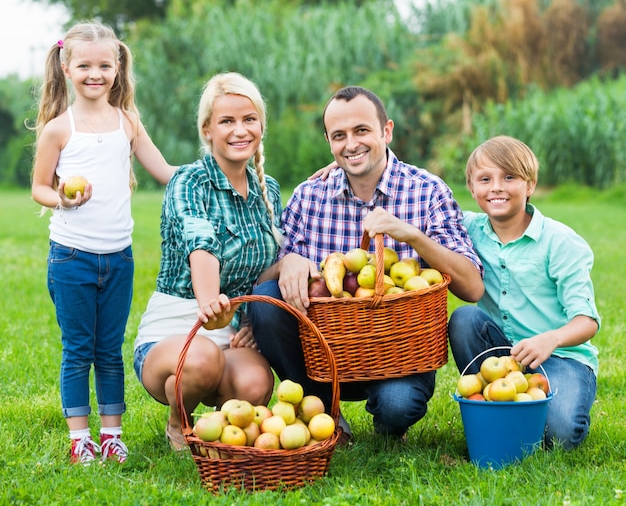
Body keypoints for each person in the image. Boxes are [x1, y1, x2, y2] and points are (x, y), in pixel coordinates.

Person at [248, 85, 484, 442]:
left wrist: (411, 236)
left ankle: (388, 423)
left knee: (398, 405)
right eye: (339, 135)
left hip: (397, 353)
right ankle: (325, 413)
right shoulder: (309, 196)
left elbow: (472, 287)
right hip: (323, 355)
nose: (351, 144)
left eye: (361, 131)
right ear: (328, 141)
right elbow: (263, 284)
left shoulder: (427, 191)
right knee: (267, 300)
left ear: (386, 131)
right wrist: (288, 262)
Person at [30, 21, 177, 464]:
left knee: (110, 351)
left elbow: (166, 172)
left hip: (119, 258)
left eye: (105, 66)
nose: (96, 74)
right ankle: (81, 440)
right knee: (78, 350)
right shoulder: (59, 129)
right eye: (85, 66)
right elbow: (39, 188)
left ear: (118, 68)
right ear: (66, 66)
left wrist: (219, 171)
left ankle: (111, 435)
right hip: (71, 258)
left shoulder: (127, 122)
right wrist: (64, 200)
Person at [133, 72, 282, 451]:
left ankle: (217, 426)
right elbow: (202, 243)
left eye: (249, 119)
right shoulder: (188, 181)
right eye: (227, 121)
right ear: (207, 130)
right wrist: (209, 301)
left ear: (261, 126)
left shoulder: (270, 190)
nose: (240, 130)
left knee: (256, 384)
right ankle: (178, 424)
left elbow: (263, 268)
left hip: (228, 329)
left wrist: (247, 315)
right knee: (201, 358)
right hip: (176, 328)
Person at [448, 135, 600, 450]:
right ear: (472, 187)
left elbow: (587, 321)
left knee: (560, 437)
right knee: (464, 318)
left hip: (560, 356)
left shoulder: (560, 242)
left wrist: (552, 338)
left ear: (530, 185)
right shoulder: (468, 229)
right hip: (500, 352)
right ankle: (492, 403)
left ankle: (528, 407)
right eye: (485, 179)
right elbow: (417, 199)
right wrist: (345, 169)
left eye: (509, 177)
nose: (496, 187)